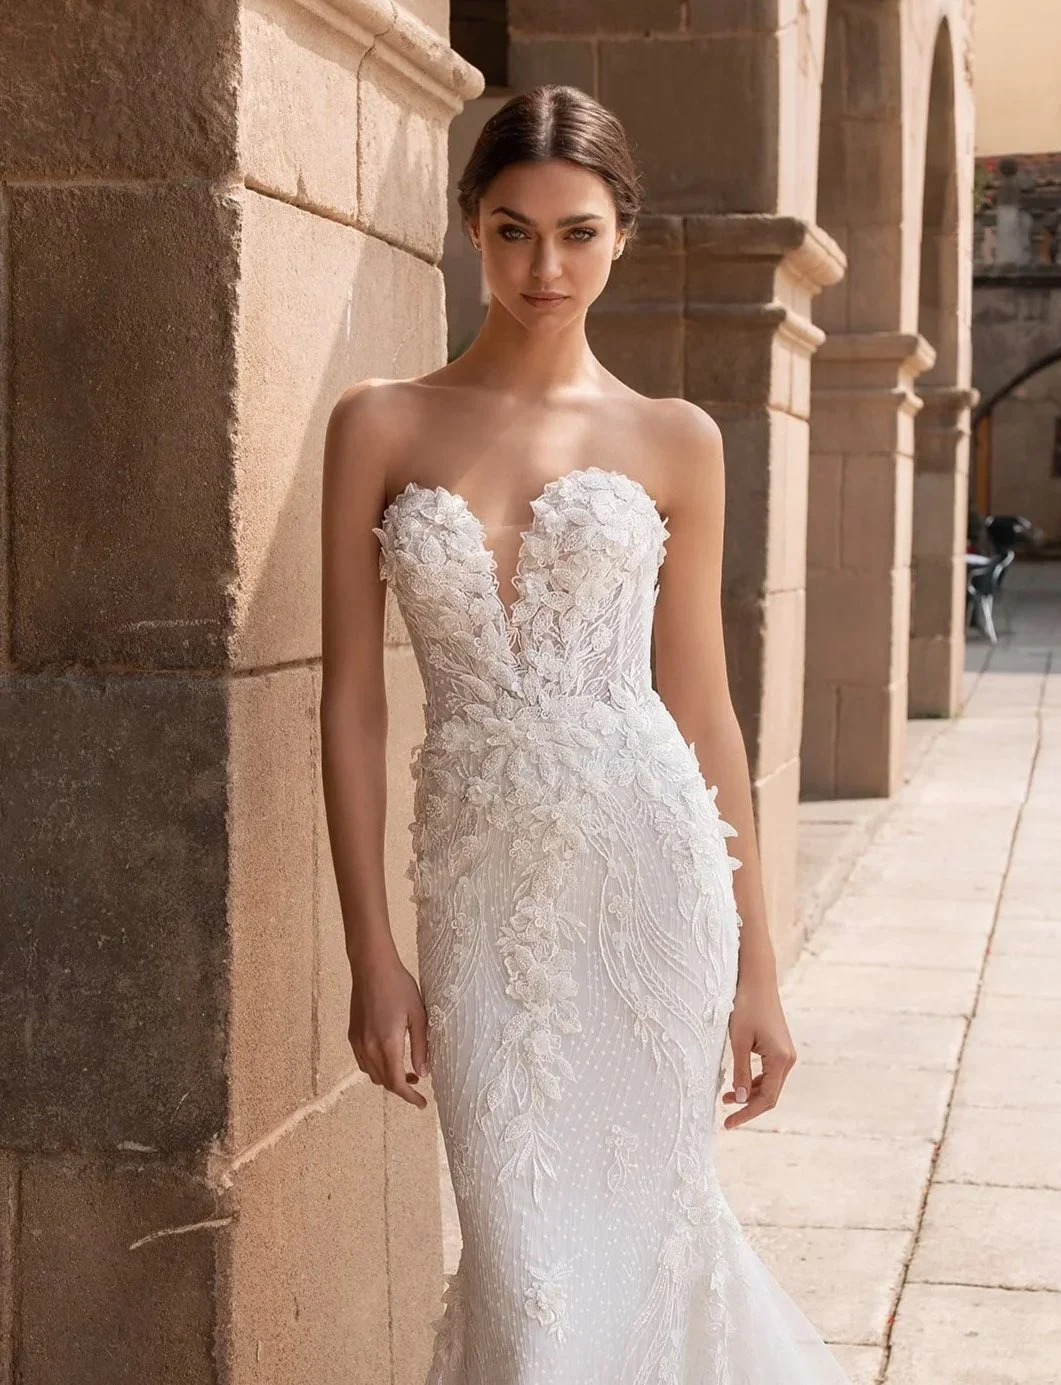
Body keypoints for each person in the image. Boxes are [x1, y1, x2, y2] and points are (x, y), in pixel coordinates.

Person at [321, 84, 850, 1384]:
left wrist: (760, 970)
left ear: (622, 236)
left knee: (647, 1243)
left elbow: (703, 705)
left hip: (652, 886)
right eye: (513, 231)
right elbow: (350, 701)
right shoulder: (380, 422)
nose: (543, 268)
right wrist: (372, 952)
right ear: (469, 226)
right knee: (522, 1265)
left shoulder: (676, 438)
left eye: (577, 233)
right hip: (481, 902)